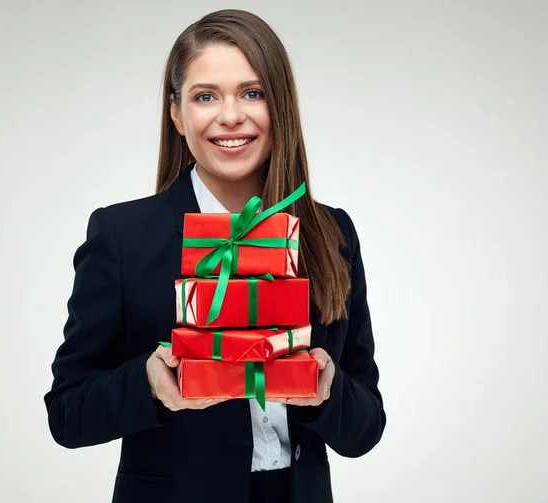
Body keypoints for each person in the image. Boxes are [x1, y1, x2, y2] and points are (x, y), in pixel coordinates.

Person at [44, 9, 386, 503]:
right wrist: (149, 384)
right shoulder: (122, 236)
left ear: (281, 108)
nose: (230, 115)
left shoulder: (331, 233)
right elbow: (67, 413)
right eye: (206, 96)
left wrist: (327, 391)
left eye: (253, 93)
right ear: (177, 113)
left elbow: (366, 428)